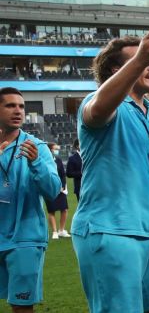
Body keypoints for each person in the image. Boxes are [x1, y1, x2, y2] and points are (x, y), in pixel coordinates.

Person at [72, 25, 149, 312]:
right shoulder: (101, 106)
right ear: (116, 72)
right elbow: (98, 110)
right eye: (140, 63)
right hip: (111, 231)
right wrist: (141, 58)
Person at [0, 87, 61, 312]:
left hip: (25, 238)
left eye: (21, 106)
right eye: (10, 105)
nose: (18, 111)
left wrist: (36, 163)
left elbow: (53, 190)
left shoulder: (37, 147)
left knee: (22, 306)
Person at [44, 142, 70, 240]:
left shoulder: (58, 160)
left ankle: (61, 230)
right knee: (52, 210)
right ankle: (54, 231)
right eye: (55, 148)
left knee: (64, 209)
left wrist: (62, 186)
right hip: (49, 189)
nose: (57, 150)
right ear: (49, 150)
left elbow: (63, 174)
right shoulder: (44, 160)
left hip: (60, 189)